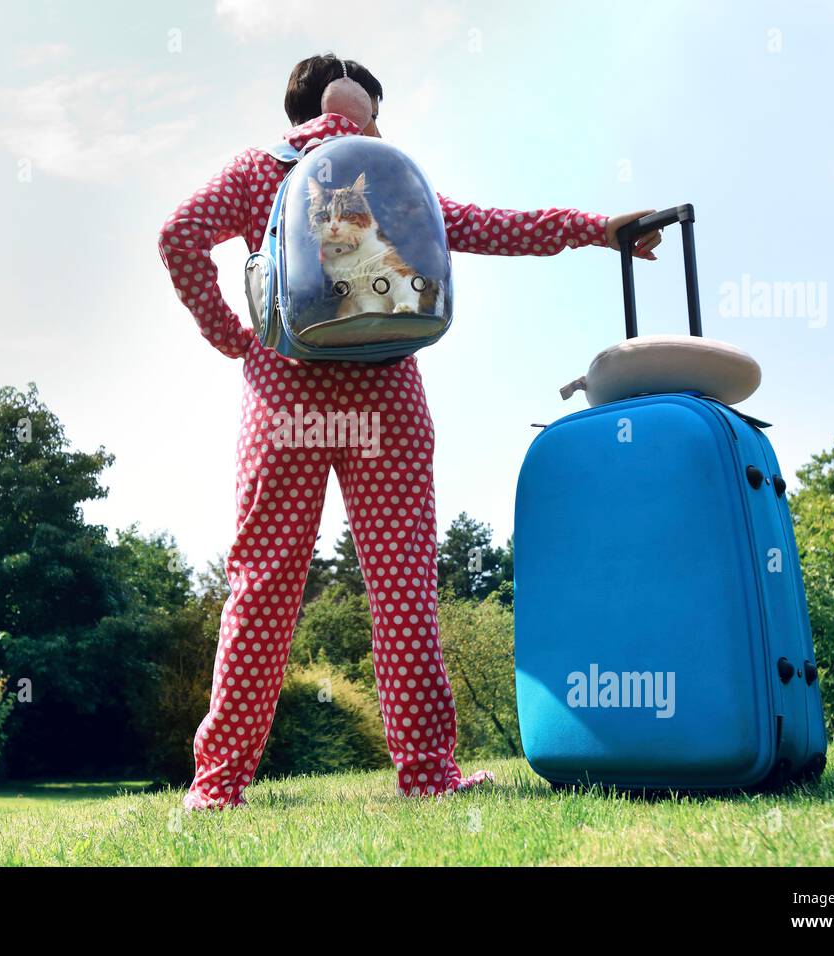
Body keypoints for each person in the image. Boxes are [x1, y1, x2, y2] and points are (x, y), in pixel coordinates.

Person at [157, 53, 662, 809]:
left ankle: (218, 784)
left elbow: (177, 236)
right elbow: (487, 226)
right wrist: (594, 229)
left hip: (285, 403)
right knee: (401, 590)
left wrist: (236, 338)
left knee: (260, 589)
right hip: (384, 399)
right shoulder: (391, 174)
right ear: (357, 110)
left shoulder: (256, 171)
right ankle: (429, 775)